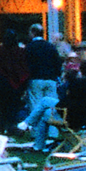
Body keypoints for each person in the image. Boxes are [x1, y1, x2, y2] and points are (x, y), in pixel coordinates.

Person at [21, 23, 63, 153]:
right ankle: (53, 132)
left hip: (36, 79)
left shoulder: (29, 47)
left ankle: (37, 133)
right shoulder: (51, 47)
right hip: (50, 79)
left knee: (36, 106)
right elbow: (58, 62)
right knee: (51, 108)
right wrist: (56, 75)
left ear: (32, 33)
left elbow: (25, 64)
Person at [0, 30, 29, 134]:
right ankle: (11, 127)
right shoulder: (19, 51)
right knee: (13, 107)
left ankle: (2, 128)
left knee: (2, 108)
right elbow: (23, 68)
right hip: (15, 85)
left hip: (1, 84)